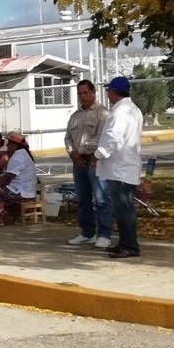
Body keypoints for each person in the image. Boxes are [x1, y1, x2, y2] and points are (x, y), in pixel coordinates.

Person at [88, 77, 144, 258]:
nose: (107, 94)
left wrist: (97, 155)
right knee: (124, 208)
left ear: (113, 91)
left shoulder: (120, 112)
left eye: (108, 91)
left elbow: (113, 138)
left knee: (123, 209)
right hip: (126, 166)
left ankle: (130, 246)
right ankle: (125, 243)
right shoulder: (133, 109)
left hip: (120, 169)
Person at [65, 80, 112, 248]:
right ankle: (87, 232)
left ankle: (104, 234)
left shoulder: (102, 113)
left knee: (101, 199)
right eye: (79, 93)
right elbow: (68, 138)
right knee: (83, 199)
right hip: (78, 162)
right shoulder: (75, 116)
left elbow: (101, 138)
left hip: (95, 161)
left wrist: (81, 151)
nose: (82, 96)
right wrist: (72, 153)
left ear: (93, 93)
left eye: (85, 92)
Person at [0, 133, 37, 228]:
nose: (7, 146)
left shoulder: (17, 158)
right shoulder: (23, 154)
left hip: (22, 193)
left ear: (15, 145)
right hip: (27, 191)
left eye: (8, 144)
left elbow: (7, 178)